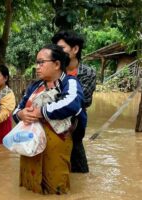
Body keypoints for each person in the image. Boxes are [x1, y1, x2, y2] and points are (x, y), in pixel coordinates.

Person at [13, 44, 86, 194]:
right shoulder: (34, 86)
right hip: (30, 143)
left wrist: (41, 112)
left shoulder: (70, 83)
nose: (37, 67)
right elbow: (17, 109)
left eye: (41, 62)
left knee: (55, 187)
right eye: (36, 62)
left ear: (57, 64)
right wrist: (21, 115)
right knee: (30, 185)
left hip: (57, 142)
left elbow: (72, 104)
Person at [52, 30, 96, 173]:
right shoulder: (54, 70)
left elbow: (84, 100)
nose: (57, 52)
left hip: (75, 128)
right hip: (52, 125)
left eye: (62, 48)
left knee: (80, 172)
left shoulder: (87, 73)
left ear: (75, 49)